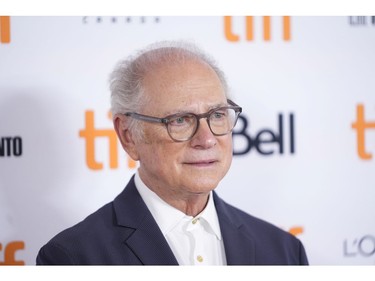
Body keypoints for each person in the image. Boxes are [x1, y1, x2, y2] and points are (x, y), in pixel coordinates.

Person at [36, 41, 308, 265]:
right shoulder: (72, 258)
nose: (206, 138)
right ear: (128, 135)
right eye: (180, 120)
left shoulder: (284, 252)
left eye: (216, 115)